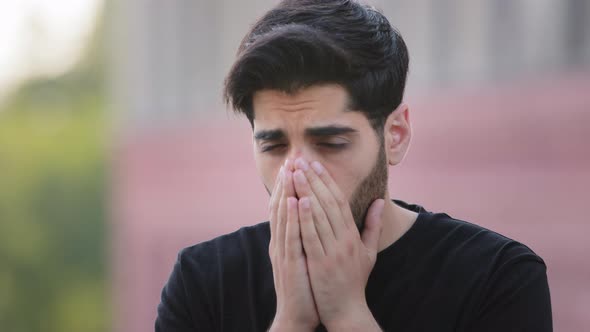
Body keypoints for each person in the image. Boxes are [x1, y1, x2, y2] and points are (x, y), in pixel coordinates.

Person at [155, 0, 553, 331]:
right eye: (274, 146)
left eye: (330, 143)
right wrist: (291, 321)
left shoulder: (497, 278)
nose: (296, 172)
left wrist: (348, 314)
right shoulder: (201, 283)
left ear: (394, 135)